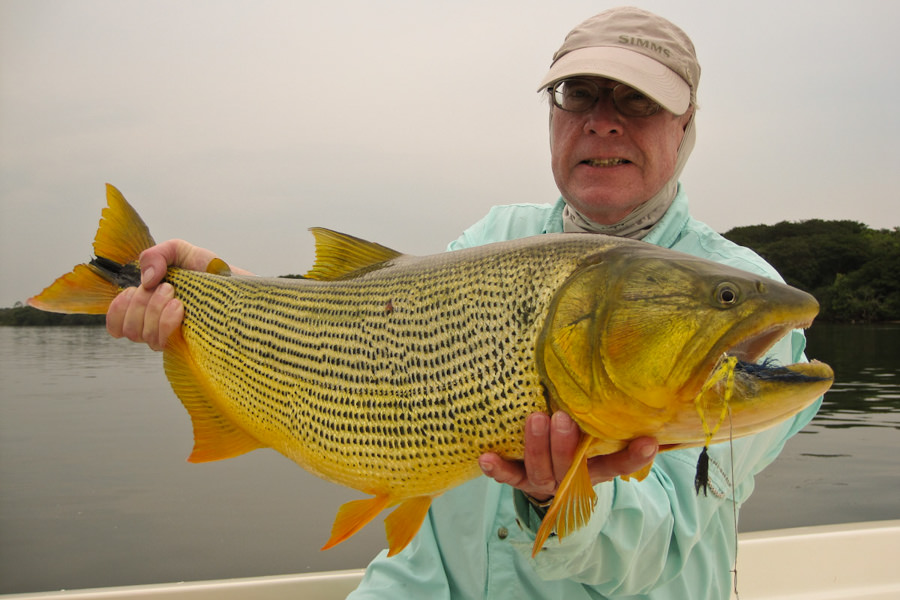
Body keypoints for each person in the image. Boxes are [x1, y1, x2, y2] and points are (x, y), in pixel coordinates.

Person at [107, 7, 821, 599]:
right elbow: (359, 339)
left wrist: (559, 499)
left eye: (637, 99)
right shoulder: (493, 237)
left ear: (686, 123)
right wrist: (213, 292)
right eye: (580, 96)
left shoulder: (745, 309)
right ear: (553, 115)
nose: (603, 122)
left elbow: (655, 547)